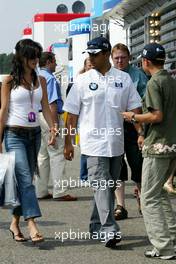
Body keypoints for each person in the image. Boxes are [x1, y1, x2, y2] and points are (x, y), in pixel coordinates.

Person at [63, 36, 142, 248]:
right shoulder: (81, 80)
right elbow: (71, 114)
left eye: (95, 53)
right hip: (93, 144)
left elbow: (135, 108)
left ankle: (96, 224)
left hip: (116, 143)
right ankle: (109, 230)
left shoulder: (123, 79)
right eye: (89, 54)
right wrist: (68, 142)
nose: (91, 57)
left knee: (107, 187)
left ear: (106, 54)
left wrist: (141, 132)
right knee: (101, 185)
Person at [122, 43, 176, 259]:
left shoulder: (154, 83)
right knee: (161, 195)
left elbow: (156, 116)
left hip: (158, 146)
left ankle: (163, 247)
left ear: (145, 61)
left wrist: (132, 117)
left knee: (149, 197)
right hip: (172, 144)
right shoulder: (171, 80)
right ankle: (170, 239)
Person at [0, 39, 56, 243]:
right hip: (14, 134)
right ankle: (32, 224)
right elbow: (4, 110)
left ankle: (14, 223)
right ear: (21, 57)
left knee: (26, 181)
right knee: (25, 178)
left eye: (37, 56)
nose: (35, 60)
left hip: (34, 135)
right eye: (31, 56)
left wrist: (52, 127)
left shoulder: (40, 80)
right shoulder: (9, 81)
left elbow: (46, 107)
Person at [111, 43, 148, 219]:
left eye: (123, 57)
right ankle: (120, 206)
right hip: (115, 125)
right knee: (118, 166)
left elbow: (146, 101)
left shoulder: (138, 75)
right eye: (116, 58)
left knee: (138, 164)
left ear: (129, 58)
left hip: (135, 124)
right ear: (112, 58)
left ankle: (143, 201)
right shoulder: (108, 76)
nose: (120, 61)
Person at [35, 52, 77, 201]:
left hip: (37, 118)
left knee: (42, 156)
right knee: (57, 154)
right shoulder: (50, 78)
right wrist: (55, 126)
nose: (56, 64)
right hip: (49, 116)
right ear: (49, 62)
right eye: (54, 61)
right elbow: (51, 103)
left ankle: (40, 190)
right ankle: (60, 191)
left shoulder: (35, 76)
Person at [79, 57, 93, 185]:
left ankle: (91, 176)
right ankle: (84, 176)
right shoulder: (80, 80)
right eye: (89, 65)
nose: (91, 67)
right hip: (84, 122)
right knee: (85, 150)